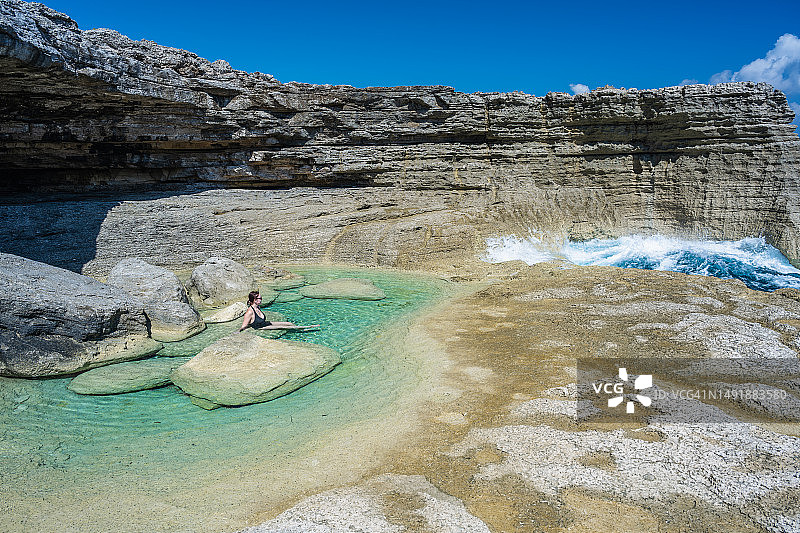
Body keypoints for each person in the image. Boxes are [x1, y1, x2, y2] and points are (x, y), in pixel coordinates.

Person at [239, 291, 320, 332]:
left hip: (264, 323)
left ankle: (299, 328)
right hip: (260, 327)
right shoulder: (250, 312)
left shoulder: (258, 307)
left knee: (289, 324)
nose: (261, 299)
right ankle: (308, 327)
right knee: (284, 327)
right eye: (260, 298)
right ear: (254, 300)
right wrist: (238, 332)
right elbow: (244, 326)